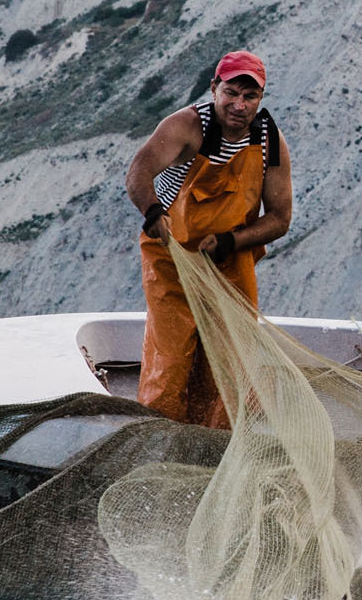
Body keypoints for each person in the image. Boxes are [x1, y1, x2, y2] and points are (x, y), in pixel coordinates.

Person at [123, 50, 294, 425]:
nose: (239, 104)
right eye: (231, 92)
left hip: (229, 259)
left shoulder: (269, 141)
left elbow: (280, 219)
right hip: (173, 257)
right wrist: (153, 213)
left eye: (250, 97)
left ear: (261, 99)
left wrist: (230, 242)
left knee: (228, 361)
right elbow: (139, 171)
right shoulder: (185, 126)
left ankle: (213, 443)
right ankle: (160, 434)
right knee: (170, 358)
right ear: (214, 87)